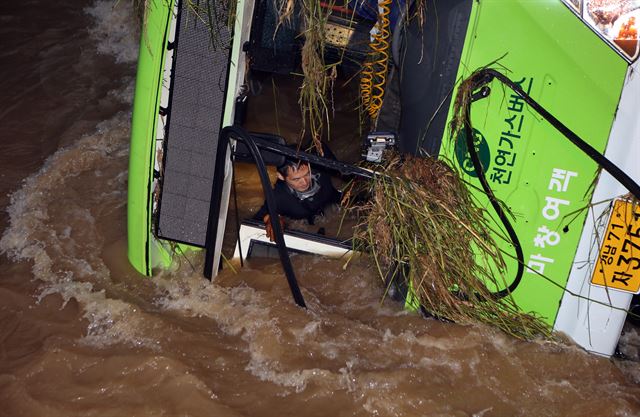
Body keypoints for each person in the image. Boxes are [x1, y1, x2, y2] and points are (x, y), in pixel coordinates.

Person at [254, 148, 342, 241]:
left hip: (335, 204)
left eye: (307, 174)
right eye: (296, 179)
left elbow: (343, 173)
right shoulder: (277, 196)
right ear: (280, 176)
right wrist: (272, 219)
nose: (304, 182)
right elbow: (257, 219)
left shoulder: (321, 165)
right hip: (307, 226)